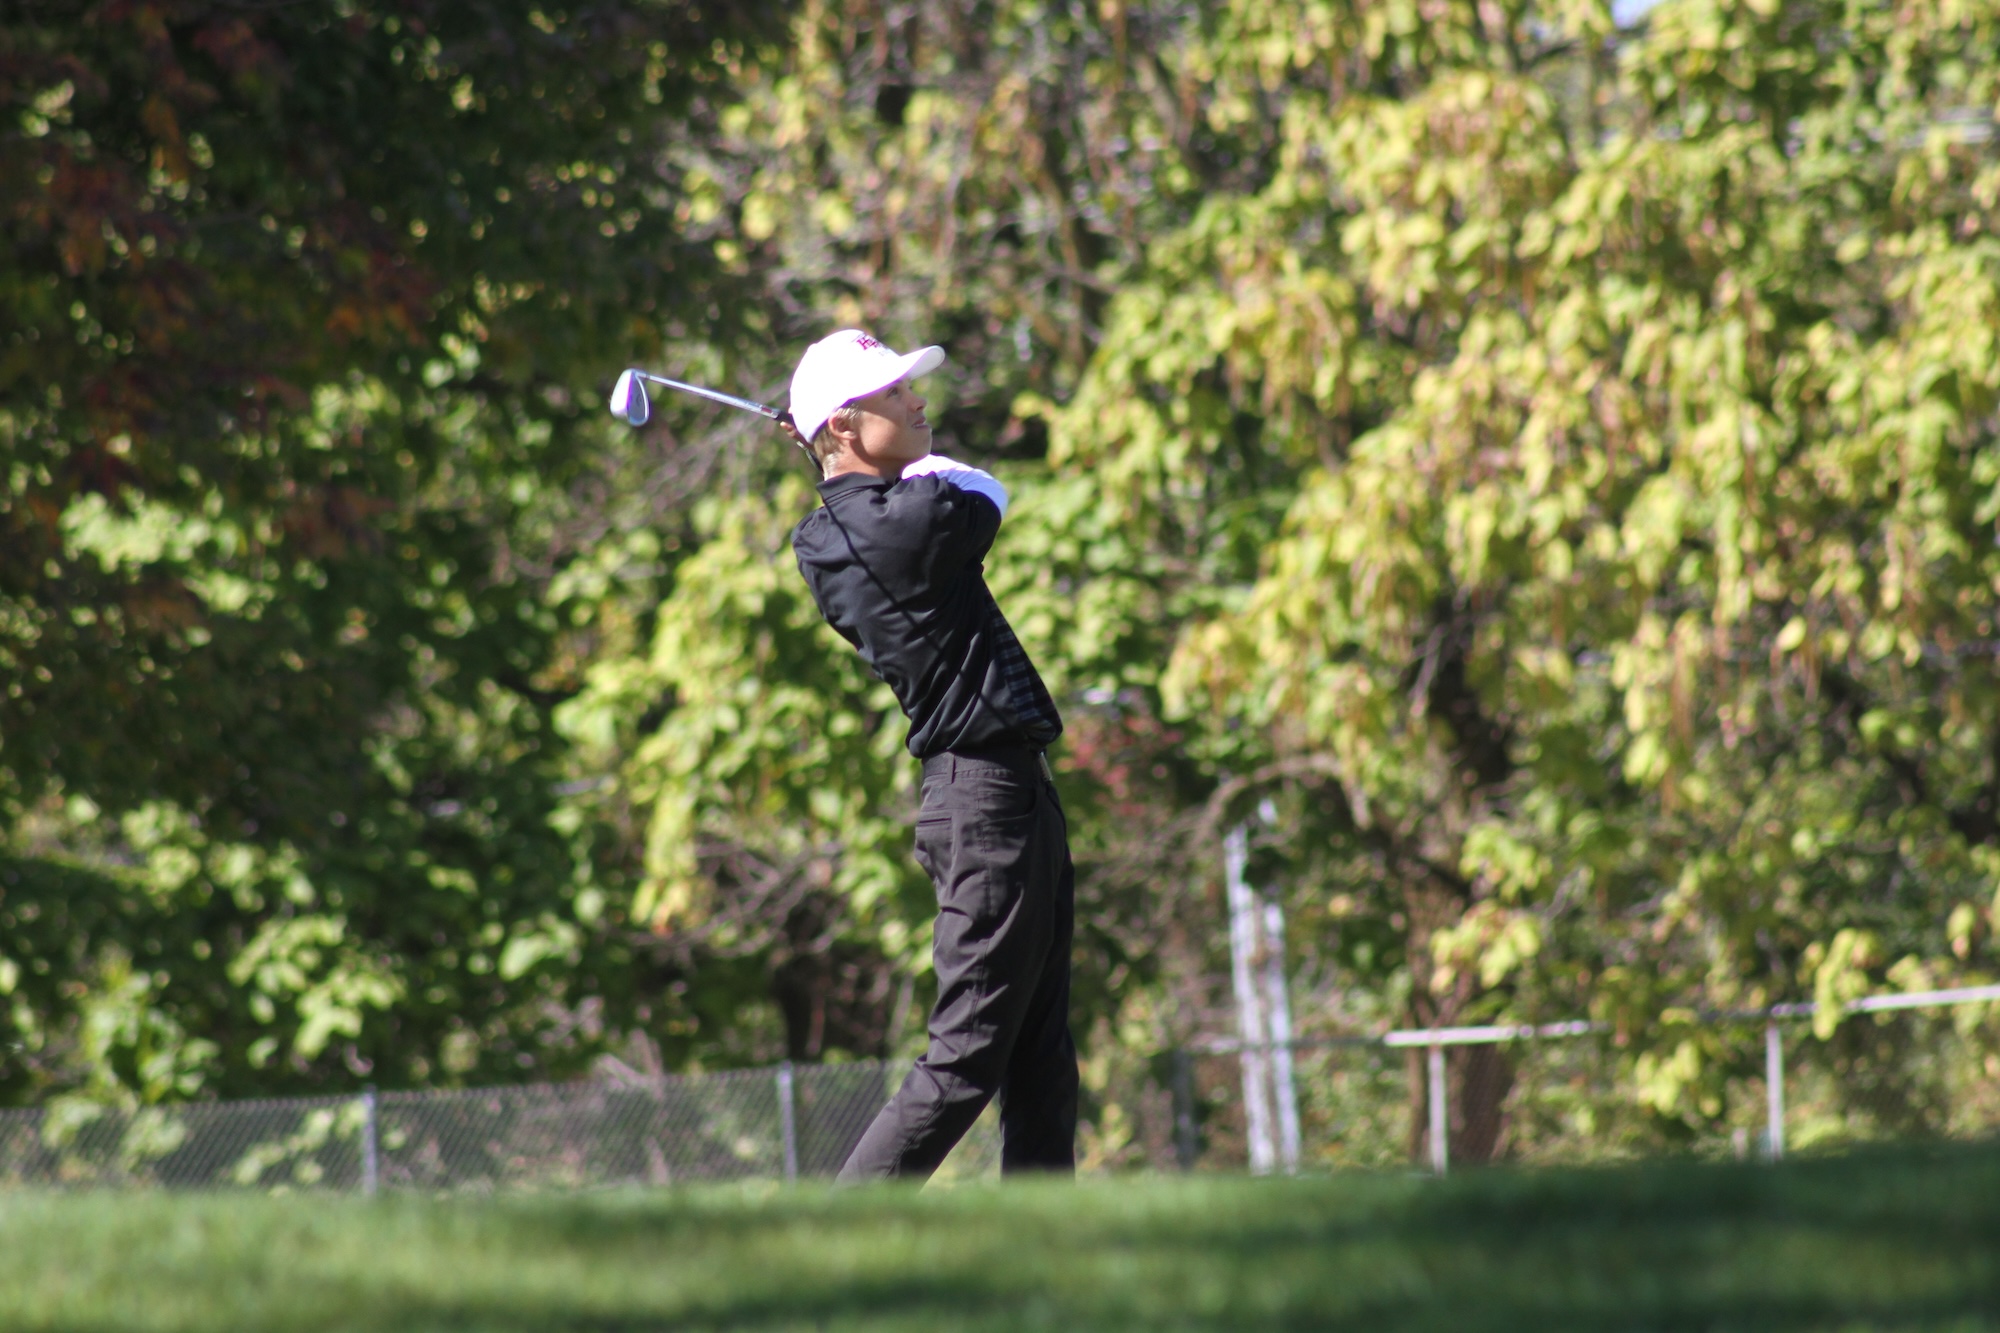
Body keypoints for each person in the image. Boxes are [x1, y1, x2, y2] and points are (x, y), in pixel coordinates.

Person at [779, 328, 1077, 1181]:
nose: (918, 401)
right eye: (893, 393)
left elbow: (909, 480)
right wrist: (850, 452)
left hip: (1012, 796)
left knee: (1041, 1054)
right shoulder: (902, 523)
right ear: (841, 426)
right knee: (967, 1055)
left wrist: (834, 446)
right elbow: (981, 488)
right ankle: (831, 1240)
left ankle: (1049, 1254)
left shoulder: (847, 526)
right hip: (982, 800)